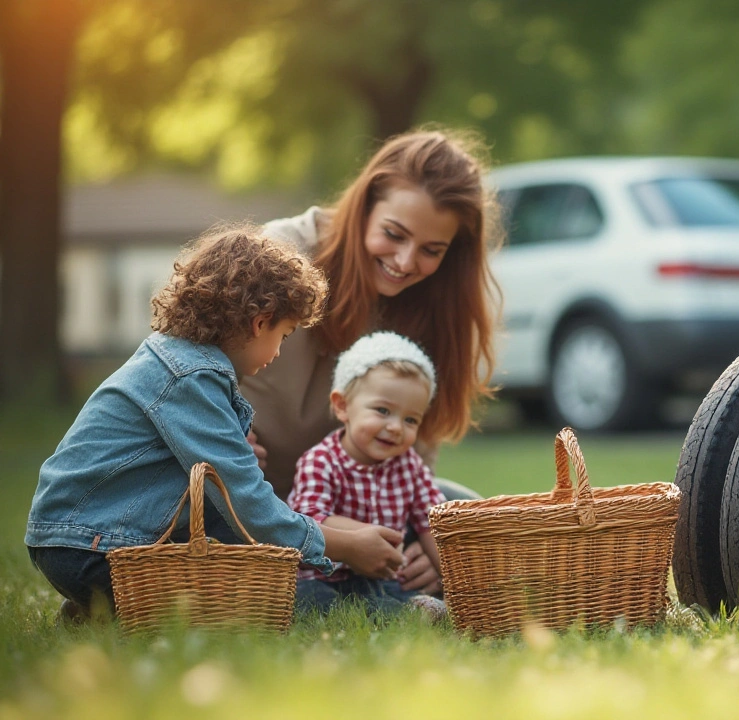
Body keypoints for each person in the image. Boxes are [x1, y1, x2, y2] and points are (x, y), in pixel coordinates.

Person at [25, 228, 406, 621]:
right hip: (92, 547)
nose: (278, 353)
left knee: (238, 556)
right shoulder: (192, 376)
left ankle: (98, 614)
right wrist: (342, 545)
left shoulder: (173, 358)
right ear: (261, 322)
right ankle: (377, 609)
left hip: (78, 539)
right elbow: (248, 503)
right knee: (249, 605)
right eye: (284, 335)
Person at [239, 127, 499, 596]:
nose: (404, 261)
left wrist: (426, 541)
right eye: (393, 235)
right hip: (252, 503)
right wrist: (219, 433)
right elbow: (180, 365)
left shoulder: (432, 305)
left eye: (431, 250)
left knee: (469, 516)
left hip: (360, 502)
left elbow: (416, 455)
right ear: (364, 206)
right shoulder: (278, 255)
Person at [288, 331, 448, 617]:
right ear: (342, 405)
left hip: (383, 579)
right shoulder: (320, 460)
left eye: (411, 419)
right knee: (310, 598)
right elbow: (308, 516)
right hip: (326, 577)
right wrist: (362, 538)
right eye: (383, 410)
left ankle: (409, 609)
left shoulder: (409, 465)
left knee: (390, 593)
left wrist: (455, 580)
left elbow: (433, 522)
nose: (396, 427)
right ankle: (402, 614)